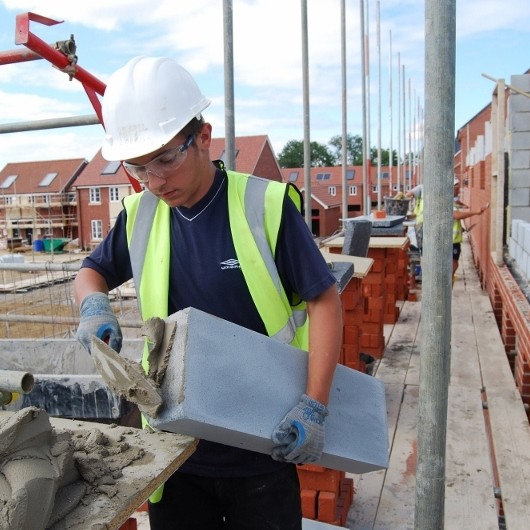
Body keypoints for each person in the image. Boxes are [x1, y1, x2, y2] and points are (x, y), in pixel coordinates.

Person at [73, 55, 343, 530]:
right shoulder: (140, 215)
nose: (154, 181)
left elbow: (324, 301)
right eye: (138, 167)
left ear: (203, 137)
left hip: (263, 444)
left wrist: (315, 404)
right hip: (176, 450)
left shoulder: (265, 205)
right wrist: (94, 306)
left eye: (165, 159)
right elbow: (90, 271)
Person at [452, 178, 488, 285]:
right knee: (453, 264)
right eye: (457, 189)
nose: (458, 191)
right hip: (450, 240)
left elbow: (456, 208)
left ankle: (448, 282)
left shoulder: (452, 199)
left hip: (453, 240)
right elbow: (456, 215)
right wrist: (476, 212)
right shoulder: (447, 200)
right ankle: (447, 284)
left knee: (454, 263)